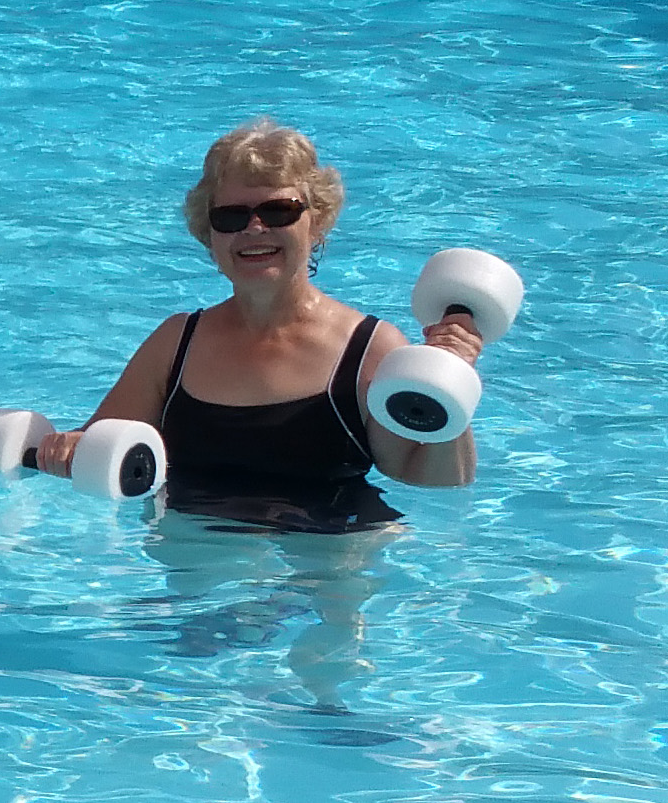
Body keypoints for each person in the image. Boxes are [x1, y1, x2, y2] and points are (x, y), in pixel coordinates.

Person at [28, 119, 477, 530]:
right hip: (198, 555)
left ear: (316, 221)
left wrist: (449, 378)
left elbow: (432, 480)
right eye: (231, 217)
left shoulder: (369, 351)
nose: (255, 229)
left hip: (326, 559)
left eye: (279, 211)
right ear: (210, 235)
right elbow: (100, 445)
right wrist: (64, 449)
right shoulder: (176, 344)